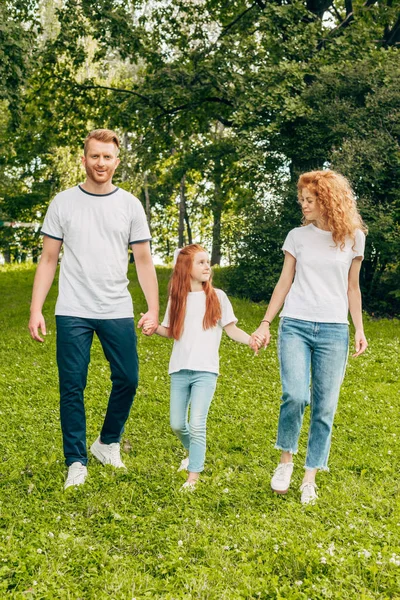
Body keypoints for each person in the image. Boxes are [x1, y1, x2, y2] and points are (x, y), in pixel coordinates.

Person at [28, 129, 159, 490]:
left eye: (107, 157)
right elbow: (48, 258)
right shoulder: (63, 203)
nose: (101, 163)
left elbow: (144, 260)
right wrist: (36, 309)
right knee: (72, 386)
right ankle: (76, 461)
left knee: (128, 379)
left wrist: (153, 308)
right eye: (95, 156)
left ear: (117, 161)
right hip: (72, 308)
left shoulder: (130, 205)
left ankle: (106, 442)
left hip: (116, 306)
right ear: (84, 158)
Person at [253, 170, 368, 505]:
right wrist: (264, 322)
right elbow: (284, 282)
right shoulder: (297, 237)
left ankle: (309, 478)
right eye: (301, 200)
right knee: (294, 395)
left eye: (309, 200)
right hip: (296, 325)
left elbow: (352, 287)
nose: (303, 205)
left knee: (324, 408)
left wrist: (359, 328)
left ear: (327, 200)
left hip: (334, 330)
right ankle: (285, 461)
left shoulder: (353, 237)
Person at [143, 244, 262, 490]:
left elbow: (231, 329)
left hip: (205, 371)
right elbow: (171, 331)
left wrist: (250, 339)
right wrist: (153, 328)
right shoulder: (177, 300)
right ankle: (193, 451)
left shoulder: (218, 297)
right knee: (177, 423)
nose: (207, 266)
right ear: (186, 268)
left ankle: (193, 476)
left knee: (197, 423)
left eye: (208, 262)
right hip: (179, 369)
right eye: (201, 262)